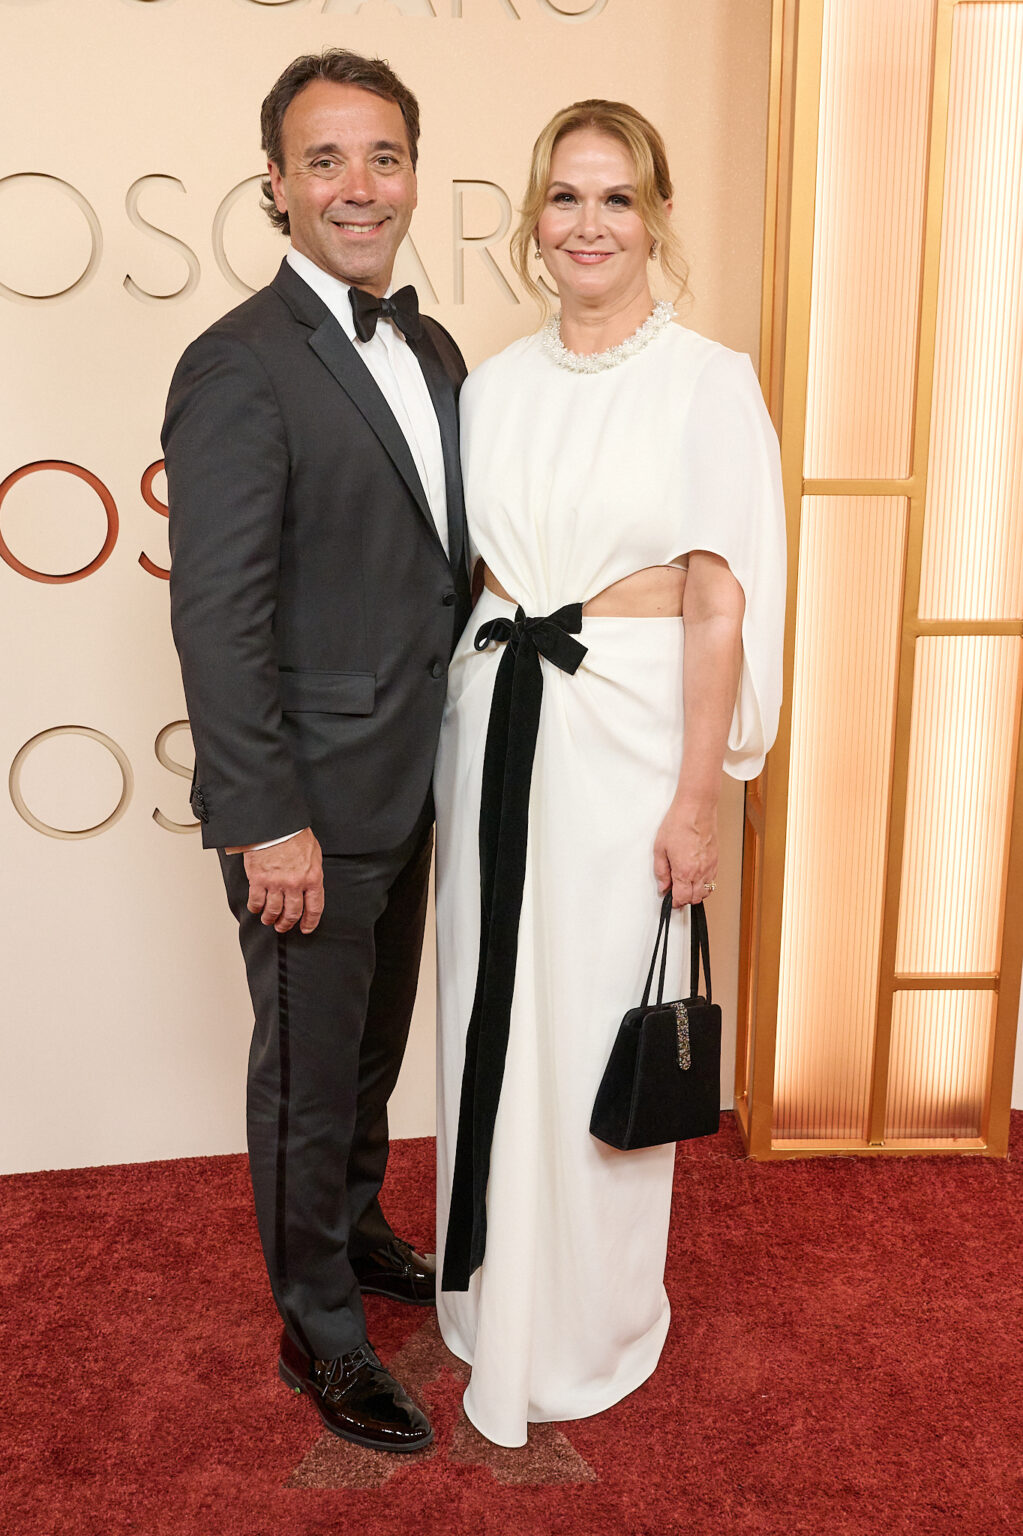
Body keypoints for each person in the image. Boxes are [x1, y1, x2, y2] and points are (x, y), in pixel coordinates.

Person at [434, 100, 786, 1447]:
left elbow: (717, 606)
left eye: (617, 199)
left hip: (633, 737)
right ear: (536, 220)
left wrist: (700, 798)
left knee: (592, 1022)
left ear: (657, 218)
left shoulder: (710, 378)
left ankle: (584, 1325)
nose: (590, 225)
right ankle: (487, 1299)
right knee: (489, 1008)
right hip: (495, 723)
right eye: (566, 198)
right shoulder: (496, 384)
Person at [162, 49, 470, 1454]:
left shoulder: (438, 349)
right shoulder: (236, 363)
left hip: (416, 780)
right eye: (327, 160)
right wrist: (260, 815)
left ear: (414, 172)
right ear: (276, 186)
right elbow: (217, 615)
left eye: (384, 156)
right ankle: (319, 1332)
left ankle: (353, 1230)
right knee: (304, 1069)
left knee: (366, 1055)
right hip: (307, 803)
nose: (360, 185)